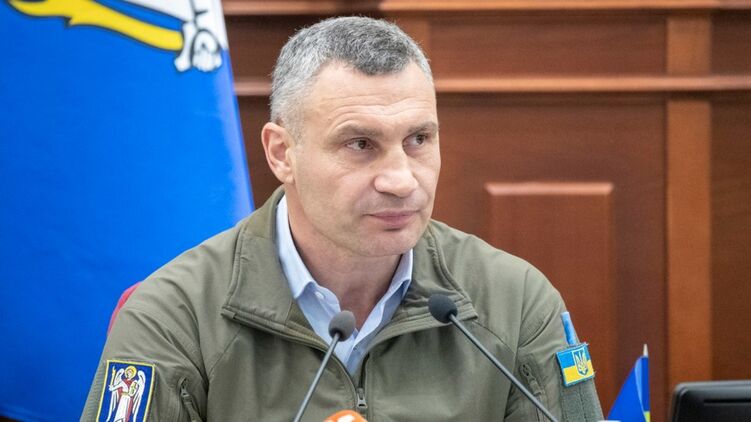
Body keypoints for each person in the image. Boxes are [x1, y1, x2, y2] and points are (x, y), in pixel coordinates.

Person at [82, 16, 603, 421]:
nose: (401, 179)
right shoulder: (175, 315)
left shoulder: (515, 301)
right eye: (360, 144)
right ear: (282, 153)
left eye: (418, 139)